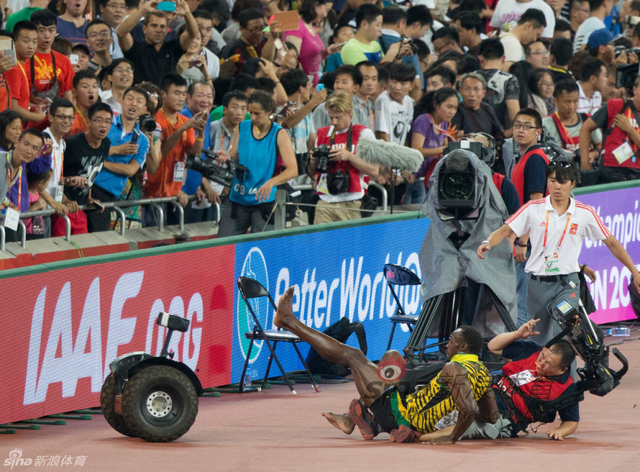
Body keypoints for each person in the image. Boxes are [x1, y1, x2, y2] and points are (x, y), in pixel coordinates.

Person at [274, 287, 496, 444]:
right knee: (391, 369)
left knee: (353, 355)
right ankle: (353, 419)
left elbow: (469, 409)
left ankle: (288, 321)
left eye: (452, 341)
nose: (447, 344)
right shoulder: (484, 373)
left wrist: (451, 437)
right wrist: (443, 418)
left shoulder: (454, 369)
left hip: (400, 414)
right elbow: (490, 417)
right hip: (407, 409)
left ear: (463, 346)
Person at [478, 159, 640, 342]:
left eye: (562, 182)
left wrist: (634, 272)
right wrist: (488, 242)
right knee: (539, 342)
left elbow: (612, 243)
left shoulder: (585, 212)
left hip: (567, 284)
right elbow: (504, 230)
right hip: (537, 285)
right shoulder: (533, 208)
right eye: (552, 180)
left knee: (568, 332)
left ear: (572, 183)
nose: (557, 186)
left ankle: (575, 357)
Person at [420, 319, 582, 442]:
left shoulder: (567, 390)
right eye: (542, 356)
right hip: (487, 392)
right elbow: (493, 346)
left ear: (562, 370)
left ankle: (416, 438)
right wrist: (517, 334)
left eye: (548, 364)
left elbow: (572, 421)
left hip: (504, 418)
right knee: (440, 396)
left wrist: (560, 431)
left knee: (464, 426)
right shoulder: (532, 349)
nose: (541, 363)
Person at [217, 90, 298, 236]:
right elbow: (236, 157)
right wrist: (227, 157)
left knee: (262, 247)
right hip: (238, 198)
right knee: (223, 243)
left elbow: (292, 170)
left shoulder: (279, 134)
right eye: (251, 112)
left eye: (257, 113)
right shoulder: (241, 127)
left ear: (268, 111)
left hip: (264, 201)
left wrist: (271, 183)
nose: (253, 117)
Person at [144, 73, 206, 226]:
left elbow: (193, 155)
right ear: (163, 94)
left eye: (184, 94)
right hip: (150, 194)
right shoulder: (153, 120)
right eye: (176, 93)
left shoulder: (185, 121)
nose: (181, 98)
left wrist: (200, 134)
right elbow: (160, 153)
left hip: (174, 194)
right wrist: (181, 130)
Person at [308, 91, 378, 224]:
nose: (334, 122)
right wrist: (313, 162)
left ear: (349, 112)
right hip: (324, 202)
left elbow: (374, 171)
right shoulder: (322, 134)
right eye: (331, 117)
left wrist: (349, 157)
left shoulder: (363, 134)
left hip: (351, 203)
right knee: (320, 239)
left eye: (338, 117)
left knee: (350, 239)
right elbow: (313, 174)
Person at [90, 87, 151, 232]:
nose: (133, 104)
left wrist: (101, 162)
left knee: (98, 239)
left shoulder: (143, 140)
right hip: (87, 186)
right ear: (121, 102)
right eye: (130, 99)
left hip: (107, 195)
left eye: (139, 101)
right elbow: (89, 151)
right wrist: (118, 150)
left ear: (144, 109)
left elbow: (130, 170)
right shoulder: (105, 124)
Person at [53, 102, 113, 236]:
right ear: (88, 122)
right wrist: (65, 200)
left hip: (81, 209)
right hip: (62, 208)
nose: (103, 125)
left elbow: (91, 173)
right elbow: (54, 177)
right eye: (99, 120)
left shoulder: (106, 144)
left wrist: (89, 199)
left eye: (107, 121)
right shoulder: (71, 144)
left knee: (82, 246)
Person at [117, 0, 199, 85]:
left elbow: (193, 33)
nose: (158, 30)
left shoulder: (173, 48)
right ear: (144, 29)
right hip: (141, 93)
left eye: (162, 26)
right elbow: (121, 33)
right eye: (154, 25)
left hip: (167, 93)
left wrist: (187, 13)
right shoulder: (135, 48)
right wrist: (143, 10)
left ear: (167, 30)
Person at [580, 75, 640, 181]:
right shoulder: (615, 106)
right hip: (611, 170)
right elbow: (585, 128)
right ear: (635, 89)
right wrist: (584, 163)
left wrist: (630, 129)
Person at [1, 121, 50, 242]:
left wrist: (9, 204)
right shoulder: (1, 161)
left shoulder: (19, 168)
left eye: (34, 148)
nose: (29, 151)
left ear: (38, 154)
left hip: (10, 219)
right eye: (26, 144)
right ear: (16, 143)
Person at [25, 9, 75, 128]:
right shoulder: (23, 60)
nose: (47, 35)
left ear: (56, 31)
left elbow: (69, 98)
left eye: (51, 30)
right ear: (32, 31)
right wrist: (33, 106)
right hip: (28, 123)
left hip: (56, 126)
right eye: (41, 30)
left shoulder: (64, 61)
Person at [180, 80, 220, 223]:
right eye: (200, 95)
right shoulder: (182, 118)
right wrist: (177, 189)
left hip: (192, 191)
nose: (205, 100)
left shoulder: (206, 117)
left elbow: (199, 156)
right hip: (178, 194)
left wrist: (199, 185)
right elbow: (180, 157)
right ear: (188, 97)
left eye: (209, 96)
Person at [409, 88, 457, 200]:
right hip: (414, 178)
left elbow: (445, 151)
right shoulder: (423, 120)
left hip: (428, 177)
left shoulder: (444, 123)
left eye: (455, 108)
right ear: (435, 104)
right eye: (449, 107)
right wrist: (444, 149)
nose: (452, 112)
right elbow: (416, 150)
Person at [39, 98, 77, 236]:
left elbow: (56, 179)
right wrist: (54, 203)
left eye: (70, 117)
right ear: (50, 117)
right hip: (38, 209)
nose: (67, 121)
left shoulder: (62, 144)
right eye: (62, 117)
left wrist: (65, 200)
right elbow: (34, 182)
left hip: (49, 210)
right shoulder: (43, 142)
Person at [542, 79, 601, 164]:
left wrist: (594, 154)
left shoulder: (588, 120)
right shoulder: (546, 125)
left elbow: (600, 144)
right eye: (567, 102)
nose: (571, 106)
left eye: (575, 101)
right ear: (555, 101)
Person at [283, 0, 338, 86]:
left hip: (312, 84)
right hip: (300, 86)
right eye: (326, 10)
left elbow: (310, 58)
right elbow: (292, 61)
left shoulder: (311, 26)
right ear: (316, 5)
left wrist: (326, 52)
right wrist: (304, 85)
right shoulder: (296, 25)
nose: (325, 15)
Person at [340, 3, 407, 66]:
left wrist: (398, 56)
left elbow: (387, 69)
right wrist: (391, 53)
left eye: (381, 25)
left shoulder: (375, 44)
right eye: (378, 25)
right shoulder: (351, 48)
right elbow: (369, 73)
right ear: (364, 24)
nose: (380, 29)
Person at [477, 38, 521, 129]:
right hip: (499, 134)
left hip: (471, 134)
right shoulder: (509, 80)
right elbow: (514, 116)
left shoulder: (468, 78)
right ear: (503, 58)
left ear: (480, 58)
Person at [219, 8, 278, 72]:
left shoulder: (266, 42)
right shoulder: (233, 49)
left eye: (261, 28)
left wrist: (272, 38)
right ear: (242, 29)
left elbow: (269, 62)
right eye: (254, 29)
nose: (259, 33)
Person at [452, 72, 508, 139]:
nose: (472, 94)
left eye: (476, 89)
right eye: (467, 89)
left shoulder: (487, 108)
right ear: (460, 91)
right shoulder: (457, 111)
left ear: (483, 93)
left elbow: (499, 135)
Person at [491, 0, 556, 40]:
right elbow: (497, 29)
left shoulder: (545, 9)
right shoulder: (502, 2)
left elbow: (546, 39)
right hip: (504, 46)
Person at [68, 70, 100, 137]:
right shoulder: (70, 119)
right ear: (74, 92)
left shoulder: (102, 117)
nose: (91, 91)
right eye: (85, 87)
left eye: (94, 87)